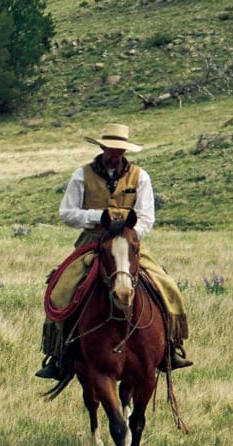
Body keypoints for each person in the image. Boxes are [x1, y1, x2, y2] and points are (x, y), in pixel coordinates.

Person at [36, 123, 192, 380]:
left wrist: (129, 237)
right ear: (103, 148)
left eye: (120, 150)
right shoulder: (81, 175)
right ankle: (59, 354)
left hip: (129, 244)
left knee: (167, 286)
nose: (115, 154)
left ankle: (170, 346)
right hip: (93, 243)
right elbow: (67, 213)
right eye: (111, 149)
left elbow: (147, 217)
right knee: (60, 290)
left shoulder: (140, 176)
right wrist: (96, 217)